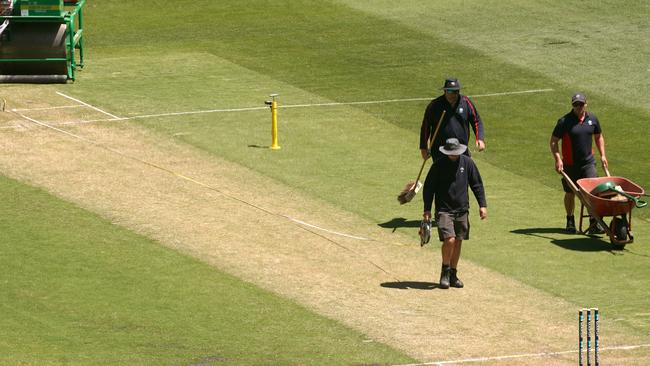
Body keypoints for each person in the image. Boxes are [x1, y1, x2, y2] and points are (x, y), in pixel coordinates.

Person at [419, 77, 486, 243]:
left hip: (462, 151)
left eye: (455, 91)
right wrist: (423, 147)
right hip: (440, 152)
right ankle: (443, 213)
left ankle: (458, 212)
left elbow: (476, 120)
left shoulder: (466, 103)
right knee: (441, 181)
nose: (453, 95)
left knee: (462, 180)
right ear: (444, 91)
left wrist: (480, 138)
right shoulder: (435, 106)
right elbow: (426, 126)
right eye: (450, 91)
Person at [421, 138, 487, 289]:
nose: (454, 155)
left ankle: (453, 274)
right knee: (449, 239)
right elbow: (429, 188)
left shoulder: (467, 163)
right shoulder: (438, 166)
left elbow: (476, 184)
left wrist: (482, 205)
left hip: (462, 209)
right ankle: (444, 271)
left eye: (456, 153)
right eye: (451, 153)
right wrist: (427, 210)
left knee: (458, 241)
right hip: (444, 210)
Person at [550, 92, 608, 234]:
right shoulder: (564, 121)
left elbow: (598, 137)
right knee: (570, 193)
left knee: (593, 193)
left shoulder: (592, 119)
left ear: (585, 104)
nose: (578, 107)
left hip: (588, 163)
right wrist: (558, 159)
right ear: (572, 106)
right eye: (576, 105)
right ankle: (570, 221)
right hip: (570, 164)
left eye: (581, 104)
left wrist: (603, 155)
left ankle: (594, 222)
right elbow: (553, 141)